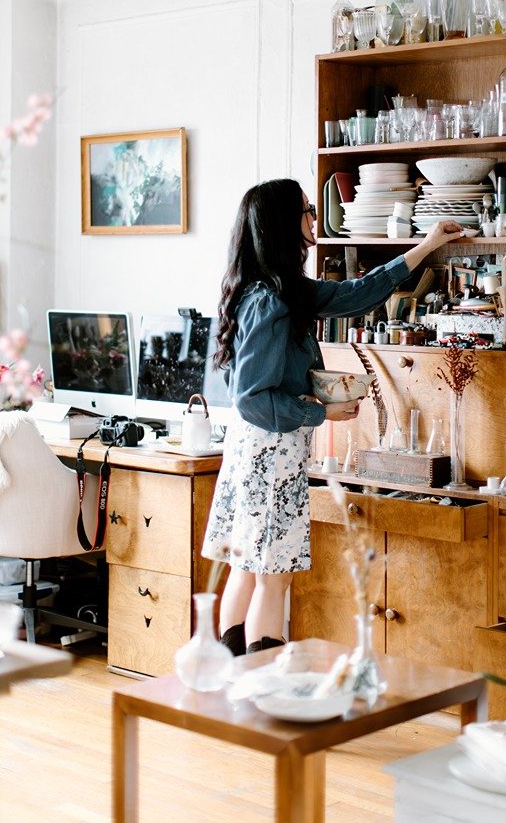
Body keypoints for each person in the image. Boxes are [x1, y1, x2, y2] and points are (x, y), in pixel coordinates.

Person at [201, 178, 463, 657]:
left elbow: (356, 294)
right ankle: (261, 691)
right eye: (306, 210)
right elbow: (251, 399)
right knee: (272, 582)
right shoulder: (273, 302)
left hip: (254, 452)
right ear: (284, 225)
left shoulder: (275, 291)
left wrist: (427, 245)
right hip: (270, 456)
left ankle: (231, 687)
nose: (314, 219)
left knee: (246, 571)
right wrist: (319, 411)